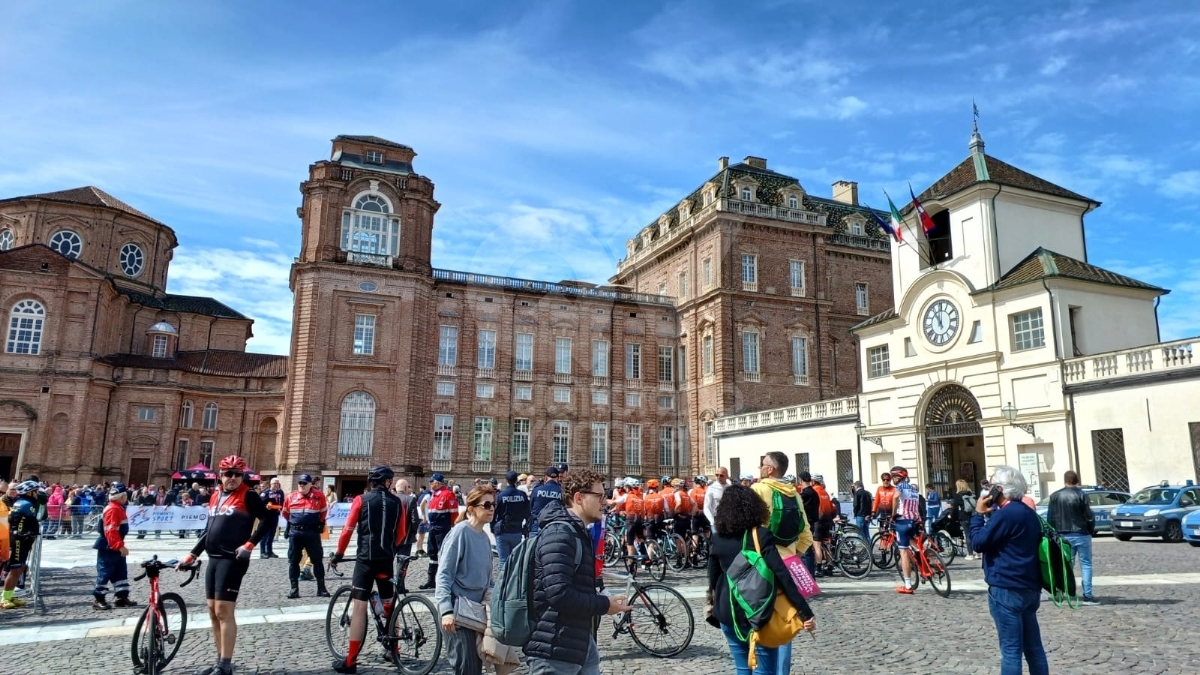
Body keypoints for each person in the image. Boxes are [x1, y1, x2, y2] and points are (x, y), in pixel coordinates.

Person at [525, 469, 630, 674]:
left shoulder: (576, 531)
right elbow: (559, 594)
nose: (605, 502)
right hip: (555, 645)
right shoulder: (560, 533)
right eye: (599, 496)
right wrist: (603, 605)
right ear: (579, 498)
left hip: (578, 640)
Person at [178, 456, 274, 675]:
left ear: (242, 477)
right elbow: (208, 529)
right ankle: (219, 660)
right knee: (212, 611)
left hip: (232, 558)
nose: (232, 478)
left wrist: (250, 544)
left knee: (223, 610)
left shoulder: (248, 495)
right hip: (213, 557)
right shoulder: (216, 495)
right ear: (220, 476)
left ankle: (226, 663)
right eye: (228, 474)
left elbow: (267, 520)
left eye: (237, 474)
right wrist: (193, 554)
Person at [708, 484, 817, 674]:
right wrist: (804, 611)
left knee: (742, 668)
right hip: (759, 611)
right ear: (753, 507)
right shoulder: (760, 535)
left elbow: (713, 578)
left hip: (728, 611)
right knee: (764, 670)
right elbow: (781, 574)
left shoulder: (717, 539)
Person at [969, 466, 1049, 675]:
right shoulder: (1027, 513)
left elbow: (978, 542)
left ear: (1000, 489)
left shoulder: (1005, 515)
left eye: (992, 486)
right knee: (1034, 648)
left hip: (1006, 586)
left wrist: (977, 515)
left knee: (1011, 650)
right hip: (1030, 586)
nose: (988, 490)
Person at [330, 465, 407, 674]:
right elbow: (401, 534)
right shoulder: (397, 502)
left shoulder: (360, 500)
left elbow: (347, 531)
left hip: (365, 559)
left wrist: (338, 554)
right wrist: (390, 548)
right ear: (388, 482)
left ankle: (351, 660)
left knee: (359, 608)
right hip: (386, 559)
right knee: (390, 605)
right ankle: (395, 650)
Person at [750, 451, 812, 675]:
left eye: (761, 464)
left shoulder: (759, 489)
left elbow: (749, 530)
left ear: (769, 469)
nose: (759, 468)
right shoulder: (794, 494)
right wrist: (792, 554)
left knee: (760, 618)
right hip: (789, 563)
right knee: (787, 619)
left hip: (762, 565)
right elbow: (806, 535)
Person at [435, 487, 495, 675]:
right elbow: (444, 574)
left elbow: (488, 579)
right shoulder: (460, 533)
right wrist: (446, 610)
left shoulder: (485, 538)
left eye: (493, 504)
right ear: (471, 509)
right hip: (458, 614)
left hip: (476, 614)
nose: (491, 508)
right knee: (467, 668)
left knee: (474, 668)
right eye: (486, 505)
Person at [1048, 470, 1100, 606]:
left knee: (1066, 565)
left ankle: (1063, 592)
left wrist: (1053, 534)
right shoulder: (1082, 495)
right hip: (1081, 533)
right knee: (1086, 564)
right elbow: (1089, 516)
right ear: (1077, 480)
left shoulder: (1055, 496)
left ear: (1065, 480)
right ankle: (1087, 595)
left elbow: (1050, 518)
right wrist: (1090, 531)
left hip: (1063, 535)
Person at [282, 473, 329, 598]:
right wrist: (294, 524)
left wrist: (320, 523)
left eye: (305, 483)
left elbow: (324, 511)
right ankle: (294, 589)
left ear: (310, 484)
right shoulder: (291, 497)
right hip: (295, 533)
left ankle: (321, 588)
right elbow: (285, 513)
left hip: (311, 532)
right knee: (293, 561)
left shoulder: (319, 496)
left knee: (317, 560)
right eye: (300, 483)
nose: (302, 485)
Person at [92, 483, 137, 610]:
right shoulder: (114, 509)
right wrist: (119, 546)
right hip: (109, 546)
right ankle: (98, 599)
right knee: (105, 572)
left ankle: (121, 597)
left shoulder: (117, 507)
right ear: (121, 496)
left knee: (120, 572)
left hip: (114, 544)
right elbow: (110, 530)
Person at [2, 480, 40, 609]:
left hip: (21, 538)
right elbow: (34, 520)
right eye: (36, 491)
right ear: (30, 492)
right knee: (16, 568)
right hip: (20, 539)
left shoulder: (21, 501)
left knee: (20, 567)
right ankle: (4, 598)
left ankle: (9, 595)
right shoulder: (26, 504)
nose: (37, 494)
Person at [419, 473, 459, 590]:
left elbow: (454, 514)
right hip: (433, 528)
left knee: (443, 555)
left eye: (431, 482)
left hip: (442, 529)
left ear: (437, 483)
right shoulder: (433, 495)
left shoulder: (448, 494)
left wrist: (452, 526)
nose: (430, 484)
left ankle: (444, 581)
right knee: (432, 553)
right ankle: (431, 580)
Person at [889, 466, 922, 594]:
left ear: (899, 477)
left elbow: (896, 498)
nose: (892, 479)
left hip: (903, 521)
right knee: (916, 545)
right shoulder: (913, 489)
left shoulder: (900, 487)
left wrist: (893, 514)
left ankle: (908, 585)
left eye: (893, 477)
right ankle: (925, 561)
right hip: (915, 520)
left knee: (904, 553)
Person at [492, 470, 529, 570]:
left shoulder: (501, 495)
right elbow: (528, 513)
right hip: (517, 530)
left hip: (502, 530)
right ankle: (513, 583)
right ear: (516, 480)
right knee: (515, 561)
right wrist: (526, 528)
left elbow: (494, 513)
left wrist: (492, 528)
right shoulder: (522, 495)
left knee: (503, 561)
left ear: (506, 480)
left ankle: (503, 584)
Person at [393, 478, 420, 593]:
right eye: (408, 487)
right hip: (406, 536)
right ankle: (400, 586)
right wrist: (415, 532)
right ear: (405, 488)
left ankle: (388, 585)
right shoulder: (410, 499)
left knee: (389, 560)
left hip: (391, 537)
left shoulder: (390, 499)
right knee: (402, 562)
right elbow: (414, 520)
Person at [528, 466, 563, 536]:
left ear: (546, 477)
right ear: (558, 478)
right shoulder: (562, 491)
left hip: (537, 526)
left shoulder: (536, 490)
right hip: (555, 528)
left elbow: (530, 507)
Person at [952, 479, 979, 560]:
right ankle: (978, 553)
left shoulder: (957, 495)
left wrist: (954, 518)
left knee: (967, 535)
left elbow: (955, 509)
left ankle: (970, 554)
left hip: (964, 516)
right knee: (975, 533)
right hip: (974, 515)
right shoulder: (972, 494)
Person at [260, 478, 285, 559]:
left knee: (272, 534)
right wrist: (266, 506)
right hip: (267, 515)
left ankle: (269, 551)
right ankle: (262, 552)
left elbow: (282, 502)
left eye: (277, 483)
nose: (276, 485)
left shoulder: (280, 492)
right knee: (265, 534)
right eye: (274, 483)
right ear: (271, 484)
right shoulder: (266, 493)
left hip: (275, 514)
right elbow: (260, 503)